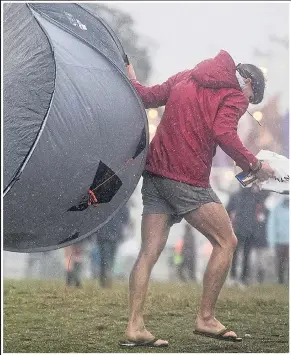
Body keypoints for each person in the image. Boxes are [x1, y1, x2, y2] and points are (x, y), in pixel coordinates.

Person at [119, 50, 275, 347]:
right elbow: (224, 133)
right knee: (226, 241)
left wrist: (131, 77)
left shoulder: (185, 76)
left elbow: (146, 97)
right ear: (249, 85)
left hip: (155, 173)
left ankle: (134, 326)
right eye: (252, 98)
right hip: (187, 178)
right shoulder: (234, 94)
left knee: (148, 253)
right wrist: (255, 165)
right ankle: (205, 317)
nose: (247, 105)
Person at [227, 185, 270, 286]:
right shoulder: (250, 195)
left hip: (245, 230)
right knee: (240, 255)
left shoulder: (244, 195)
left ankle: (239, 278)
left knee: (241, 255)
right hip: (242, 230)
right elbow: (228, 210)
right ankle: (238, 278)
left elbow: (228, 210)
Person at [267, 196, 289, 284]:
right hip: (280, 242)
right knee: (281, 263)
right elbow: (271, 226)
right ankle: (281, 281)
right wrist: (272, 243)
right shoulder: (276, 208)